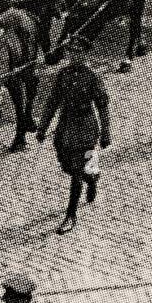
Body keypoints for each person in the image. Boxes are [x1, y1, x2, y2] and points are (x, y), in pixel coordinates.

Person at [36, 38, 111, 234]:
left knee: (76, 170)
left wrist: (106, 133)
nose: (74, 56)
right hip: (65, 125)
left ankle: (71, 214)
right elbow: (52, 101)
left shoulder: (93, 76)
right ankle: (92, 177)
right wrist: (43, 127)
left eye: (78, 53)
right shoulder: (63, 74)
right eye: (71, 52)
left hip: (85, 126)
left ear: (86, 55)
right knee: (66, 165)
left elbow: (102, 105)